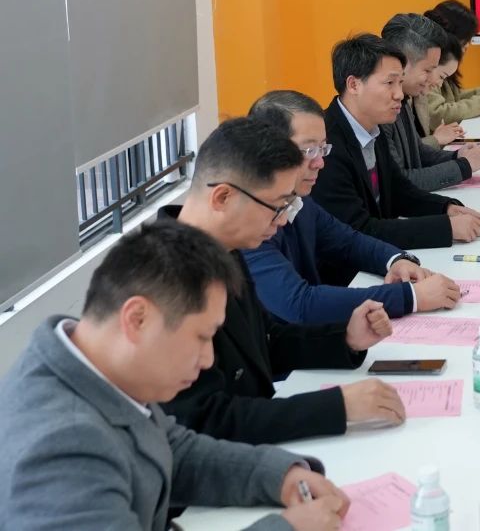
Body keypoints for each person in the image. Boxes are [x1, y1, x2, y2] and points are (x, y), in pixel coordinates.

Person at [0, 223, 350, 530]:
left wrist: (280, 476)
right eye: (201, 337)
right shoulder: (63, 446)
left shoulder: (94, 365)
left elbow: (171, 449)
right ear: (137, 319)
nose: (208, 358)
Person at [160, 117, 407, 444]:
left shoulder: (225, 248)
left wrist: (345, 339)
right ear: (222, 198)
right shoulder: (163, 282)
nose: (283, 221)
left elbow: (267, 341)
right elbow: (206, 421)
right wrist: (336, 406)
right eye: (277, 206)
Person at [245, 89, 463, 323]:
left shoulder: (299, 200)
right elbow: (300, 304)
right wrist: (411, 297)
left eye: (323, 148)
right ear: (268, 152)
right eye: (309, 151)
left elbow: (347, 241)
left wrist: (396, 260)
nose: (320, 163)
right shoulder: (249, 224)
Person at [309, 34, 480, 276]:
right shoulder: (327, 144)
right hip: (347, 275)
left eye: (400, 82)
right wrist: (445, 228)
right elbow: (359, 229)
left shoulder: (372, 125)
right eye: (389, 83)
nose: (400, 94)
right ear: (354, 85)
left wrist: (446, 208)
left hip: (378, 260)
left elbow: (399, 190)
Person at [380, 12, 480, 191]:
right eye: (427, 70)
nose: (433, 80)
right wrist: (464, 166)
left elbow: (418, 152)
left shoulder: (404, 98)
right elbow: (400, 182)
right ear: (401, 63)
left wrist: (458, 156)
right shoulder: (380, 109)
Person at [416, 0, 480, 132]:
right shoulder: (430, 70)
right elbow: (438, 114)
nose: (467, 45)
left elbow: (452, 98)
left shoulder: (442, 64)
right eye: (465, 39)